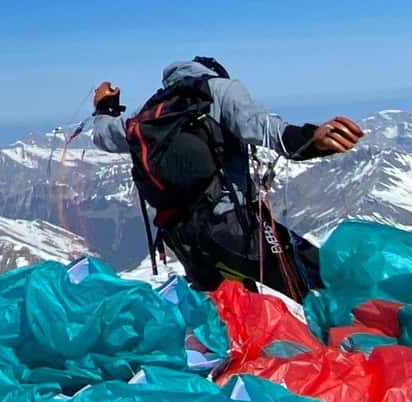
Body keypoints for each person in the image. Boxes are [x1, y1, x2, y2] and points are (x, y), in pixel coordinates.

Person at [91, 56, 364, 301]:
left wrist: (105, 107)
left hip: (183, 238)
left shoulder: (148, 111)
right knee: (320, 282)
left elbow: (104, 136)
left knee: (228, 311)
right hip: (231, 226)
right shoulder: (219, 89)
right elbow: (261, 127)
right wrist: (309, 139)